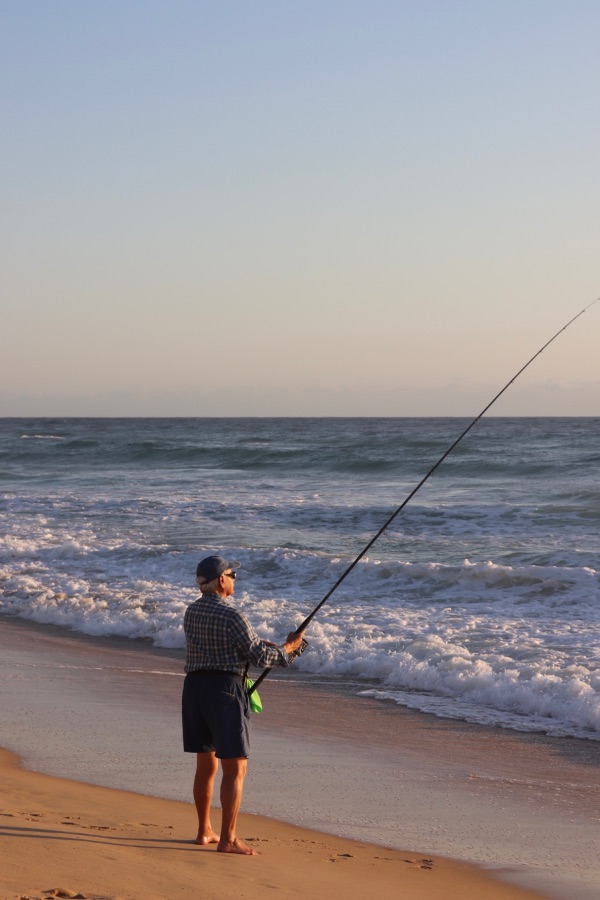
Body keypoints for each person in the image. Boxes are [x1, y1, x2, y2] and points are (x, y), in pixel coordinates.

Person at [182, 554, 305, 855]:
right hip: (225, 690)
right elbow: (259, 659)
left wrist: (263, 646)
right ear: (221, 580)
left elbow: (222, 646)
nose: (235, 579)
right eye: (233, 575)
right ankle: (228, 839)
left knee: (205, 765)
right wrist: (290, 649)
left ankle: (204, 831)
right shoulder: (232, 615)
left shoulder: (191, 611)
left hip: (194, 689)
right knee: (235, 768)